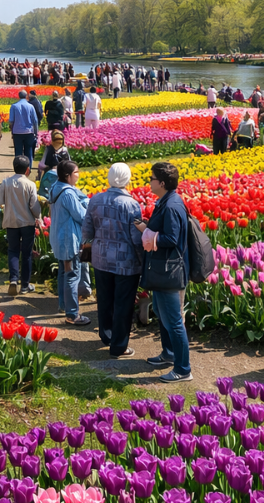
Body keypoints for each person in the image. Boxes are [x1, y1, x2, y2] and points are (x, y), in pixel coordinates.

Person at [135, 161, 192, 383]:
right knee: (160, 310)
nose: (149, 181)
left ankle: (183, 369)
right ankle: (169, 353)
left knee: (174, 320)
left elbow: (172, 239)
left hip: (171, 272)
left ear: (161, 182)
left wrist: (147, 232)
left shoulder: (172, 205)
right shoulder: (165, 201)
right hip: (161, 270)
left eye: (151, 178)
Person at [83, 163, 145, 359]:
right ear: (127, 179)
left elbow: (87, 230)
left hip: (101, 258)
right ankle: (119, 347)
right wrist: (143, 259)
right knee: (123, 303)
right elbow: (136, 238)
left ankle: (106, 335)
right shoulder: (132, 204)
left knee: (105, 299)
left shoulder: (95, 200)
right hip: (125, 261)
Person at [49, 160, 90, 326]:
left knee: (63, 273)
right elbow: (81, 216)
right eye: (76, 172)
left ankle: (63, 305)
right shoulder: (68, 194)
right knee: (72, 275)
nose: (78, 175)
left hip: (58, 238)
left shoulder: (55, 188)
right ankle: (72, 315)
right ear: (67, 176)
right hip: (68, 240)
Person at [0, 155, 42, 296]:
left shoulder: (6, 182)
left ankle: (13, 279)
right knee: (27, 254)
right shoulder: (30, 185)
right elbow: (34, 206)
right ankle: (25, 286)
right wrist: (38, 217)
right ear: (28, 169)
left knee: (13, 251)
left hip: (11, 222)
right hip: (27, 223)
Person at [9, 90, 40, 161]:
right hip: (29, 132)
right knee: (28, 152)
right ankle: (28, 168)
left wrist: (12, 131)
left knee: (18, 152)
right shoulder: (31, 106)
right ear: (26, 96)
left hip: (17, 132)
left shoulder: (14, 106)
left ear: (18, 96)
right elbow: (35, 121)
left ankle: (18, 167)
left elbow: (11, 121)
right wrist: (36, 132)